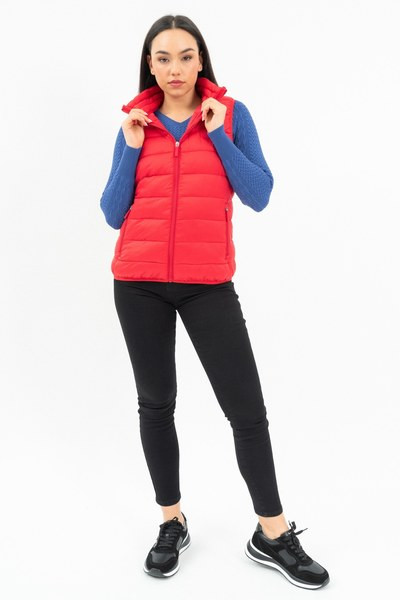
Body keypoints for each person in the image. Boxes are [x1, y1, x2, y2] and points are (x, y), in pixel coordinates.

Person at [100, 14, 330, 589]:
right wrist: (131, 148)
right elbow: (111, 212)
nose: (174, 68)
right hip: (139, 284)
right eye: (162, 58)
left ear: (200, 59)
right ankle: (171, 522)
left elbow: (259, 194)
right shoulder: (135, 122)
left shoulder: (230, 113)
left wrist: (220, 135)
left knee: (246, 411)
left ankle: (271, 533)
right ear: (149, 65)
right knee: (156, 404)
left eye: (185, 56)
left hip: (207, 284)